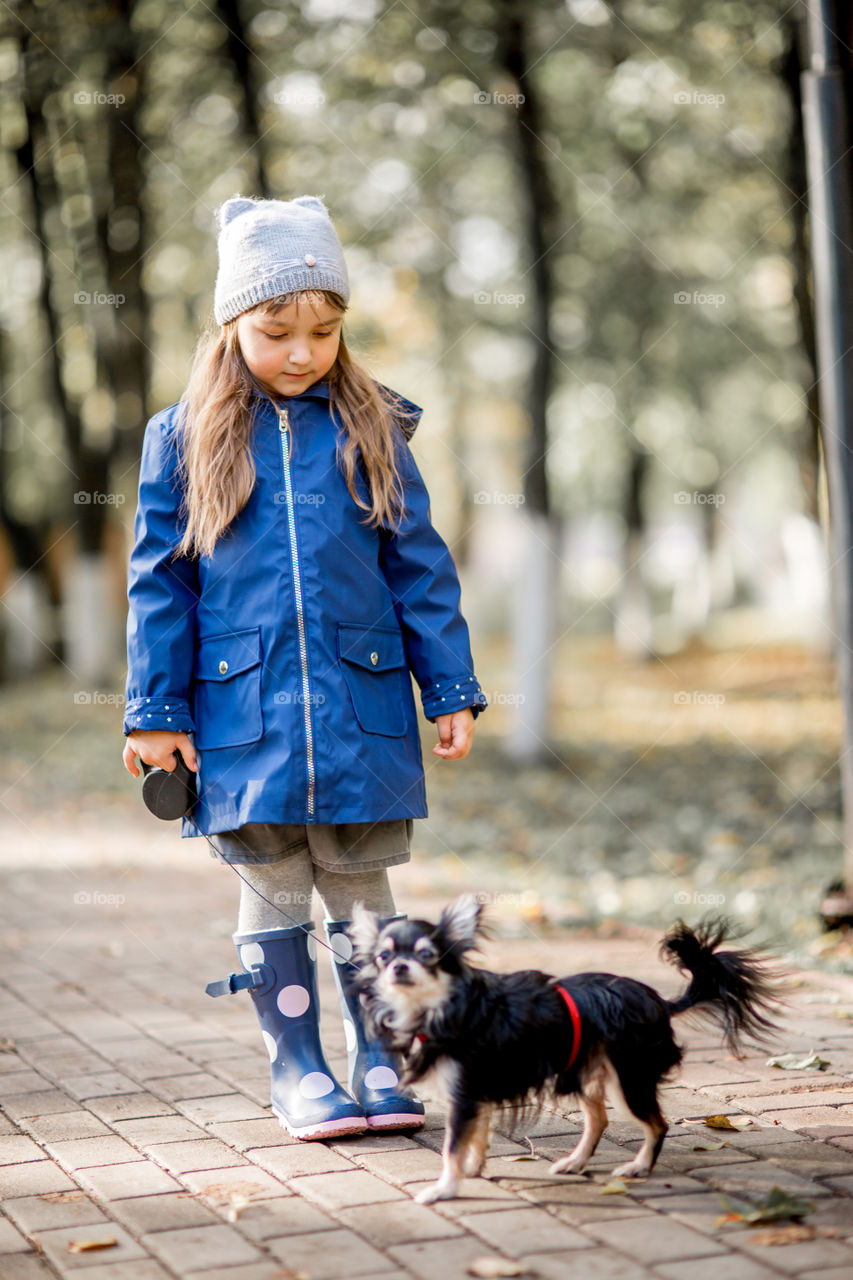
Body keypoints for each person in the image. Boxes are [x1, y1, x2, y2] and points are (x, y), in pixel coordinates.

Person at [121, 194, 487, 1142]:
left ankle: (380, 1058)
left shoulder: (372, 427)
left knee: (363, 888)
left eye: (322, 331)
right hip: (241, 713)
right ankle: (299, 1070)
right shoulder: (184, 434)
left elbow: (419, 565)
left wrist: (447, 685)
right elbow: (159, 583)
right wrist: (153, 710)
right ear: (232, 322)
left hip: (359, 705)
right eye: (275, 330)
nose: (300, 352)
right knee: (274, 883)